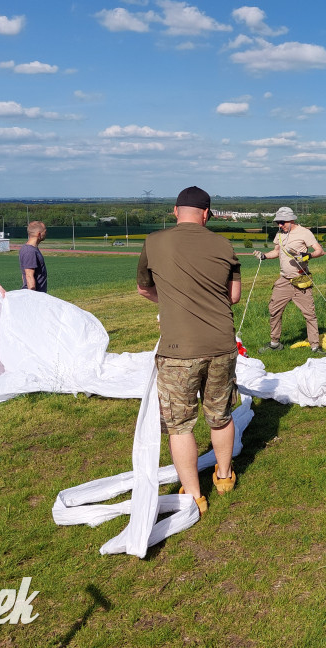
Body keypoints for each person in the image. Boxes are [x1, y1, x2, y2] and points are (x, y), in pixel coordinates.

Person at [136, 186, 242, 517]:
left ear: (175, 211)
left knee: (180, 425)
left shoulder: (154, 242)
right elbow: (234, 296)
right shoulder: (224, 245)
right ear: (206, 214)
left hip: (177, 350)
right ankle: (224, 478)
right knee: (220, 415)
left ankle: (195, 495)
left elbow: (143, 288)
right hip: (221, 344)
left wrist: (169, 301)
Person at [255, 206, 325, 353]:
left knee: (309, 314)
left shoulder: (305, 233)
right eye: (277, 223)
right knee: (274, 311)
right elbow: (276, 251)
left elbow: (320, 251)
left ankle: (315, 346)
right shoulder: (279, 234)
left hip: (301, 280)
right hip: (284, 281)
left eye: (282, 222)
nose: (279, 225)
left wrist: (308, 255)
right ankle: (275, 344)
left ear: (291, 220)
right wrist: (264, 256)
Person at [18, 221, 48, 292]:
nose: (46, 233)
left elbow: (24, 275)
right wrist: (33, 297)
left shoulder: (31, 249)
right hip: (35, 295)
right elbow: (29, 275)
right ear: (39, 234)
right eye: (45, 231)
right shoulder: (29, 251)